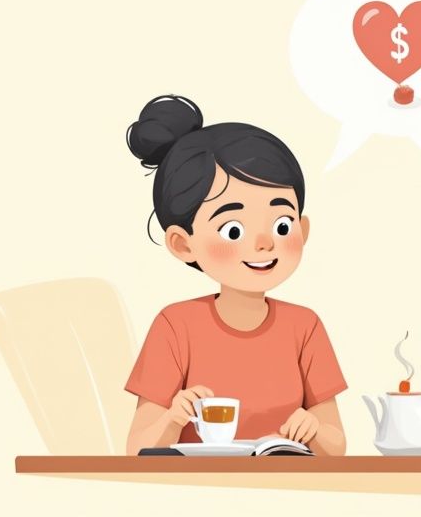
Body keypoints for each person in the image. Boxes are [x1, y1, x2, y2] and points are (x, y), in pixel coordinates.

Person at [123, 95, 347, 455]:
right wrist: (172, 419)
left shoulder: (304, 327)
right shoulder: (175, 326)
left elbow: (336, 447)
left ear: (302, 230)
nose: (263, 244)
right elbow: (136, 449)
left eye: (281, 223)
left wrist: (315, 428)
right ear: (183, 244)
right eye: (233, 230)